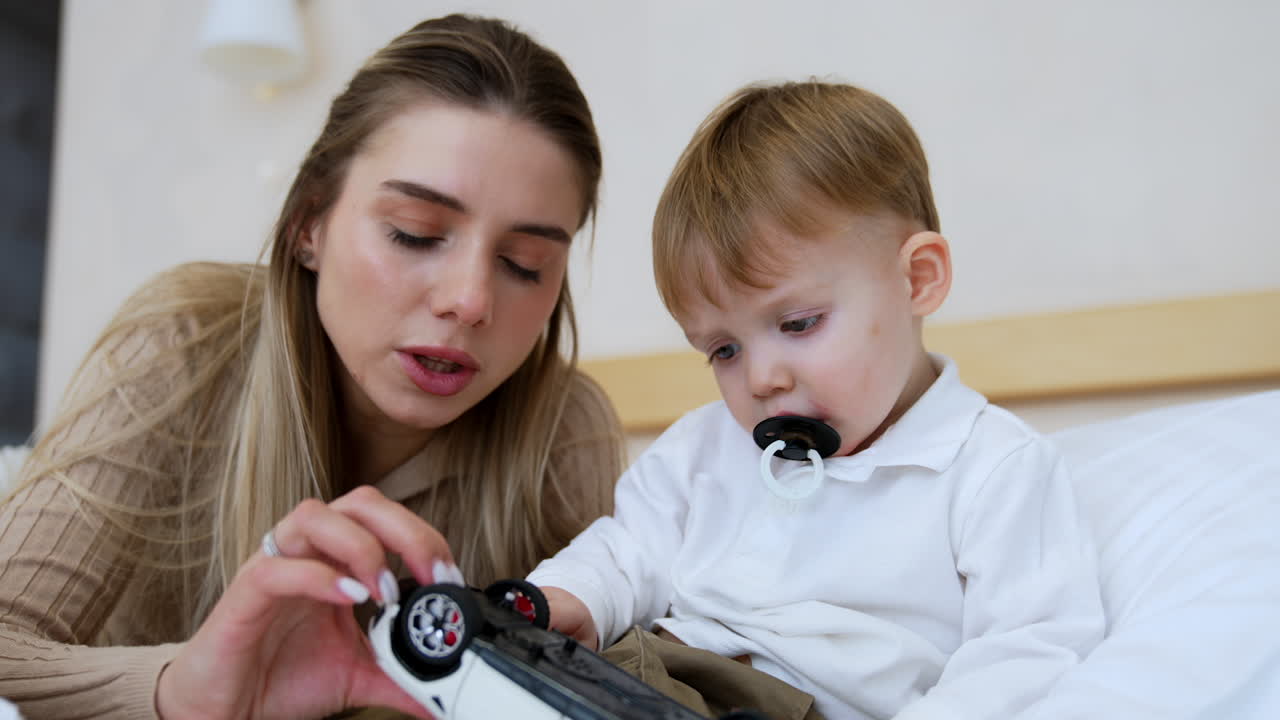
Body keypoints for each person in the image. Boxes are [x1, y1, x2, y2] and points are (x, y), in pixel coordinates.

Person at [0, 14, 625, 720]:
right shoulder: (182, 344)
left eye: (525, 264)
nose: (470, 300)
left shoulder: (566, 428)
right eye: (414, 234)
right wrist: (182, 692)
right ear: (308, 225)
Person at [528, 81, 1106, 719]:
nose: (760, 380)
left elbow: (1027, 652)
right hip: (654, 675)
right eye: (723, 350)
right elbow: (627, 549)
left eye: (798, 324)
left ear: (918, 279)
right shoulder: (704, 448)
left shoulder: (993, 468)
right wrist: (568, 597)